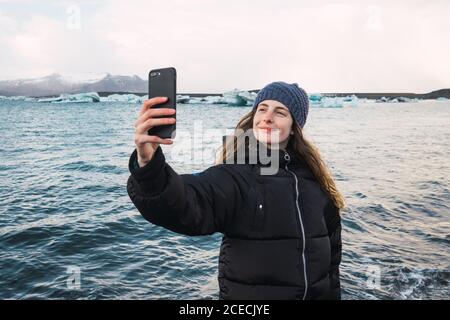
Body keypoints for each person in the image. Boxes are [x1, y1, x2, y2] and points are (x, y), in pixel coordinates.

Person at [127, 81, 345, 300]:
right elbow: (185, 203)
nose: (267, 117)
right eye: (262, 109)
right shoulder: (236, 176)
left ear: (294, 127)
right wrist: (148, 164)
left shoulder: (315, 184)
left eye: (280, 112)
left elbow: (332, 265)